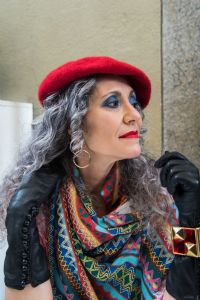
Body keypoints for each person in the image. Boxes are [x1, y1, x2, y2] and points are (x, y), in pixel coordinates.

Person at [1, 56, 199, 300]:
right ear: (73, 124)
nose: (134, 116)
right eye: (113, 103)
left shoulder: (155, 197)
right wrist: (20, 220)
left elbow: (182, 291)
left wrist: (190, 223)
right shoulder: (40, 207)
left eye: (133, 103)